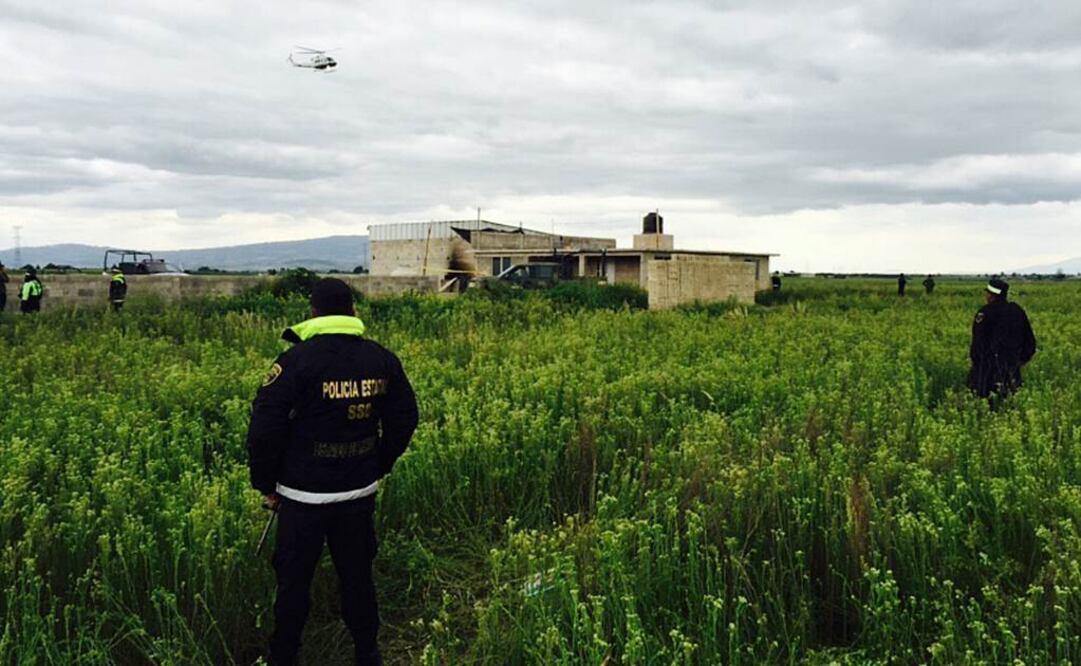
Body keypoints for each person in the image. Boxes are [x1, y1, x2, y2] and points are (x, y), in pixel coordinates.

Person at [246, 278, 418, 666]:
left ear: (313, 313)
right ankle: (367, 652)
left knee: (293, 582)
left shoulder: (293, 362)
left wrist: (265, 483)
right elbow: (405, 417)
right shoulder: (381, 358)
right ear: (353, 312)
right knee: (357, 575)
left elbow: (264, 430)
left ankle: (284, 655)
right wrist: (379, 463)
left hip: (302, 497)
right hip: (359, 493)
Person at [967, 278, 1036, 400]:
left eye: (987, 293)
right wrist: (1020, 361)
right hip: (1012, 367)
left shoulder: (985, 313)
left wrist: (977, 367)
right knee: (1010, 401)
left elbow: (977, 344)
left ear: (992, 295)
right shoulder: (1017, 311)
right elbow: (1030, 341)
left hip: (987, 371)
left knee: (987, 403)